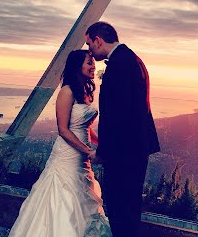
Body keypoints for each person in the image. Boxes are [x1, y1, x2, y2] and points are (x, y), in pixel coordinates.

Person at [9, 50, 111, 237]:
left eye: (93, 64)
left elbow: (85, 127)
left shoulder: (87, 91)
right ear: (77, 66)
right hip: (68, 154)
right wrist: (89, 151)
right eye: (89, 63)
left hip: (82, 156)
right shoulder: (67, 91)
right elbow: (63, 130)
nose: (93, 66)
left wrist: (103, 144)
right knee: (63, 197)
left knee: (83, 198)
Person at [85, 21, 160, 237]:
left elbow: (116, 115)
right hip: (134, 148)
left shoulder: (120, 64)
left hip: (124, 151)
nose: (89, 49)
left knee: (120, 206)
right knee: (128, 206)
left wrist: (103, 152)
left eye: (89, 43)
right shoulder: (131, 59)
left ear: (98, 40)